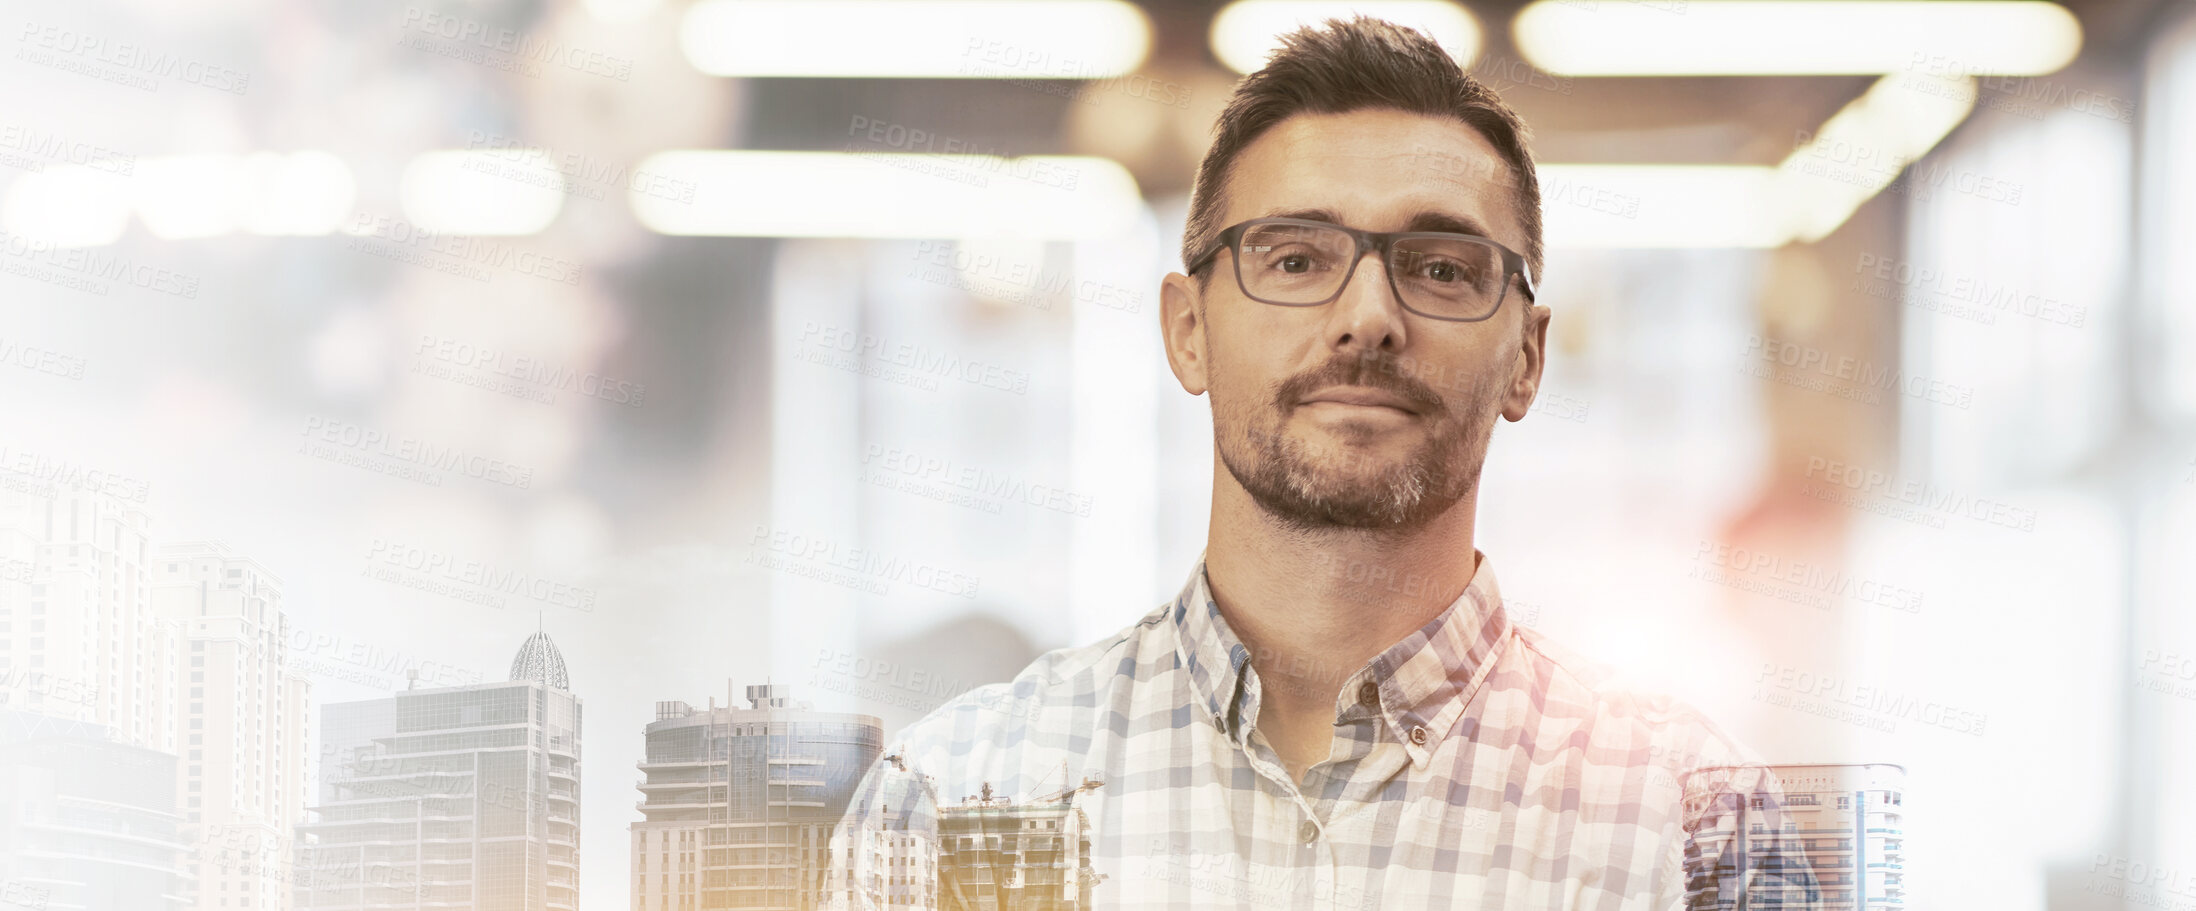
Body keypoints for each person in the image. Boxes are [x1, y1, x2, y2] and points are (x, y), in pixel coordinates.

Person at [824, 15, 1816, 909]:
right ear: (1186, 332)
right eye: (1296, 258)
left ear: (1527, 356)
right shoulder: (952, 795)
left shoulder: (1691, 824)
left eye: (1440, 268)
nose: (1368, 318)